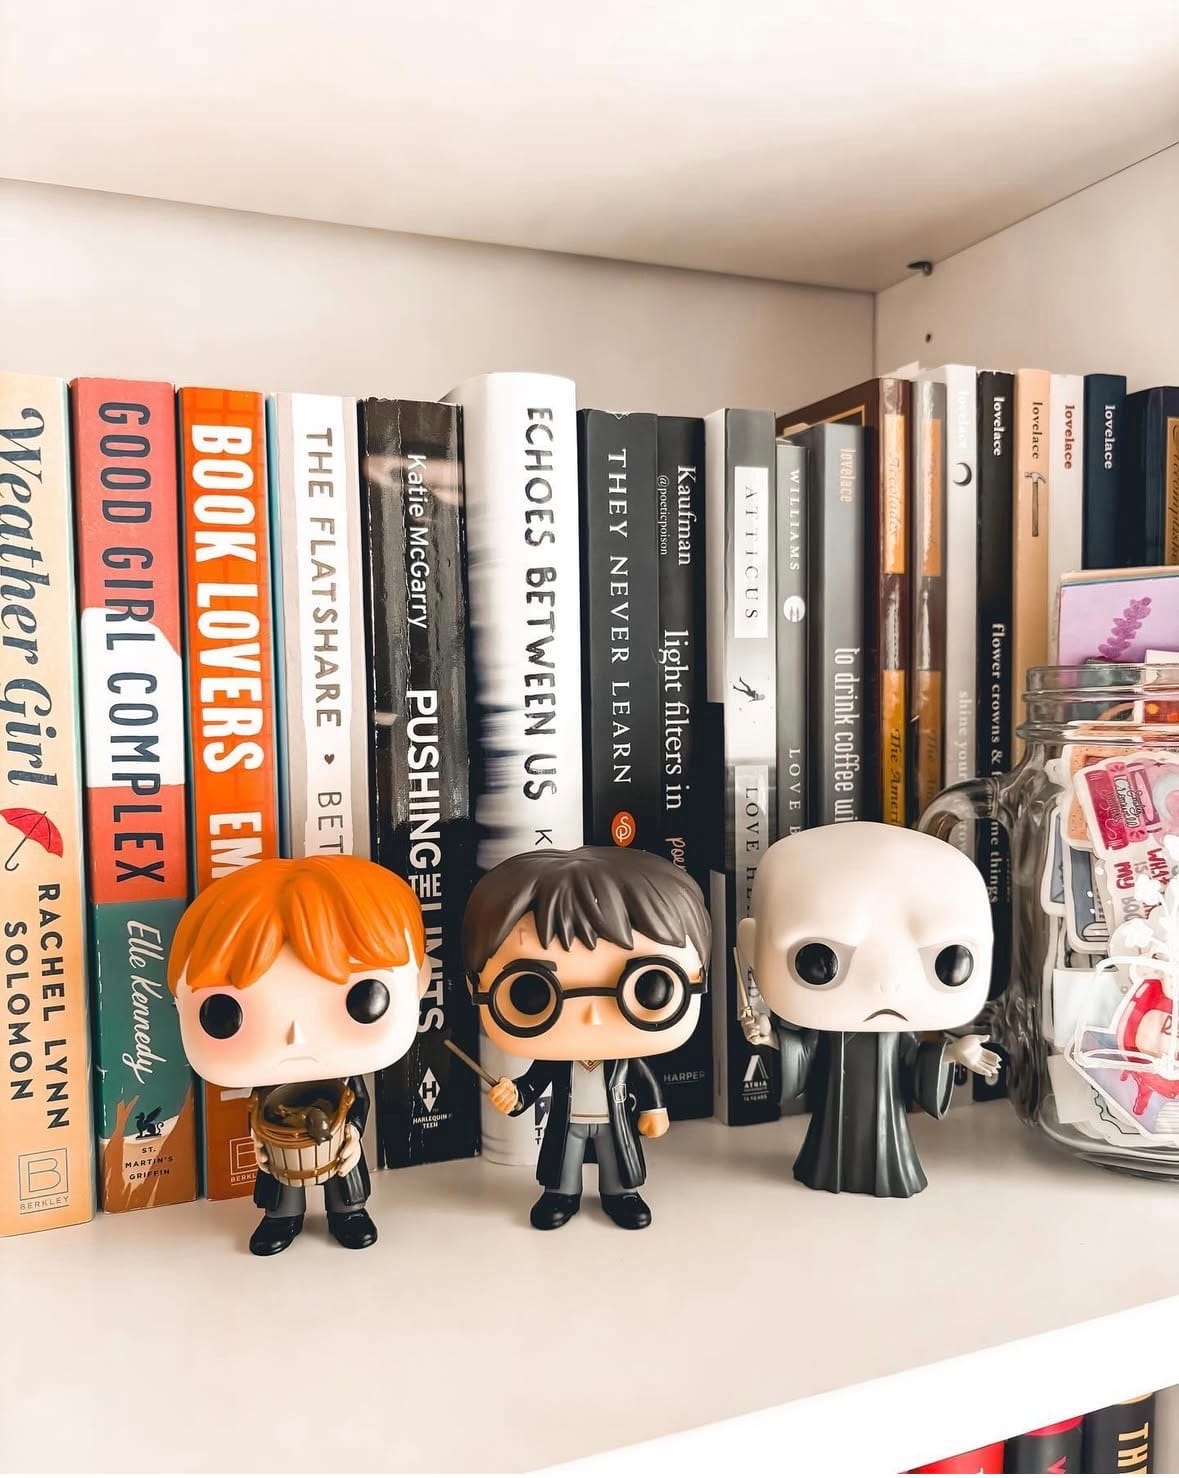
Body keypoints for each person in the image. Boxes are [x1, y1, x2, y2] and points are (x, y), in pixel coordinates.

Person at [168, 856, 428, 1255]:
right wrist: (259, 1139)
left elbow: (359, 1103)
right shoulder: (269, 1081)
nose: (297, 1037)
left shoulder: (346, 1076)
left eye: (364, 999)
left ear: (421, 981)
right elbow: (257, 1112)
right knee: (280, 1178)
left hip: (338, 1140)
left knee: (345, 1176)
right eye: (223, 1014)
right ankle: (282, 1217)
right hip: (281, 1143)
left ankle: (348, 1212)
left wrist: (353, 1133)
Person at [737, 822, 999, 1197]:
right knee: (828, 1145)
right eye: (818, 962)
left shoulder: (899, 1032)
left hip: (886, 1120)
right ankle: (825, 1170)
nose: (886, 983)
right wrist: (769, 1038)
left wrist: (954, 1053)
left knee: (886, 1147)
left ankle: (888, 1175)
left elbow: (914, 1060)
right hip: (833, 1116)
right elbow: (806, 1051)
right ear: (752, 946)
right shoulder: (826, 1022)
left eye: (949, 962)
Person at [465, 846, 710, 1230]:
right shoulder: (554, 1059)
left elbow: (644, 1080)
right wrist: (514, 1096)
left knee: (617, 1160)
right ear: (475, 986)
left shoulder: (625, 1057)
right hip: (569, 1121)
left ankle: (621, 1194)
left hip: (615, 1119)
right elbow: (532, 1084)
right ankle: (561, 1195)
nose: (593, 1016)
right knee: (563, 1161)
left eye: (649, 986)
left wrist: (655, 1109)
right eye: (532, 993)